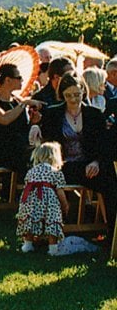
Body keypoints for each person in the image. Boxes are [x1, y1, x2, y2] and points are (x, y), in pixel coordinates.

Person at [37, 72, 117, 227]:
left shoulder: (94, 114)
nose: (73, 99)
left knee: (109, 179)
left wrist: (96, 161)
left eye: (77, 94)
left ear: (83, 92)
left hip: (88, 165)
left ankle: (111, 230)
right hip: (62, 166)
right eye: (68, 95)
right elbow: (44, 134)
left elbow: (103, 144)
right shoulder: (54, 114)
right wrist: (34, 125)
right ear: (62, 95)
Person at [0, 63, 41, 180]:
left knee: (40, 151)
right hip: (0, 150)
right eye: (19, 77)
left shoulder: (17, 100)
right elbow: (4, 119)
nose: (22, 80)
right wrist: (24, 104)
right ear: (7, 80)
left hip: (19, 147)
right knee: (29, 154)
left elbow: (22, 128)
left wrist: (33, 122)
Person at [17, 142, 68, 255]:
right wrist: (65, 204)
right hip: (49, 201)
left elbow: (27, 185)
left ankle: (28, 244)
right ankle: (53, 248)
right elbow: (60, 191)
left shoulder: (31, 171)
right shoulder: (55, 172)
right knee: (52, 221)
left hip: (31, 200)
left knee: (31, 219)